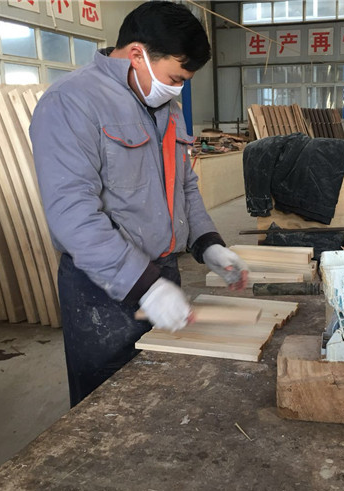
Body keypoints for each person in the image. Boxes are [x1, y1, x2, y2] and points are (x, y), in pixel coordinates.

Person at [30, 1, 248, 407]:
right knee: (106, 409)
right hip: (103, 288)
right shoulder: (71, 102)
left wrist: (207, 243)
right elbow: (72, 214)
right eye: (175, 78)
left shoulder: (164, 107)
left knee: (163, 399)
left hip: (160, 276)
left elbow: (184, 185)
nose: (178, 90)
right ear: (136, 54)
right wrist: (143, 285)